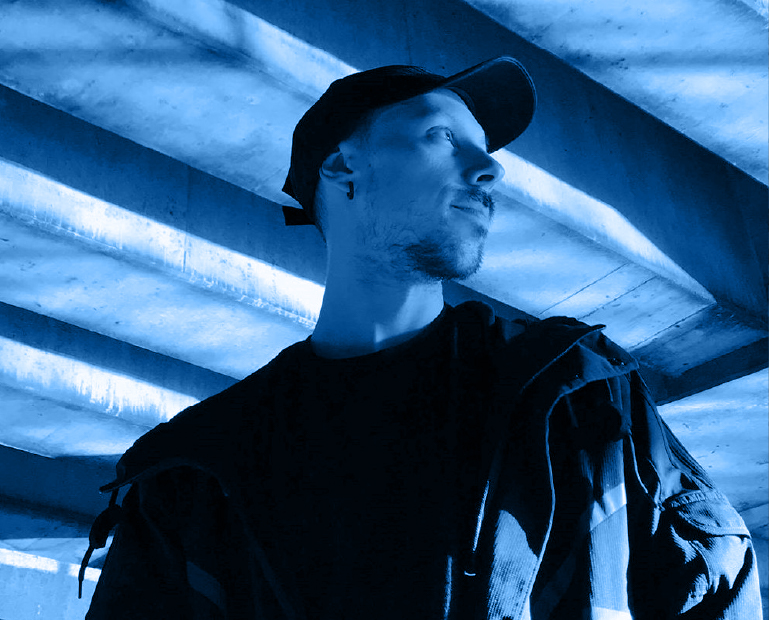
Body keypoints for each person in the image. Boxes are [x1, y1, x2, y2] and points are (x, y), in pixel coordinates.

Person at [81, 57, 761, 619]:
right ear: (343, 170)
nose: (490, 169)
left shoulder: (576, 392)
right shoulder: (193, 468)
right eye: (441, 136)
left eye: (485, 149)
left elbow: (714, 587)